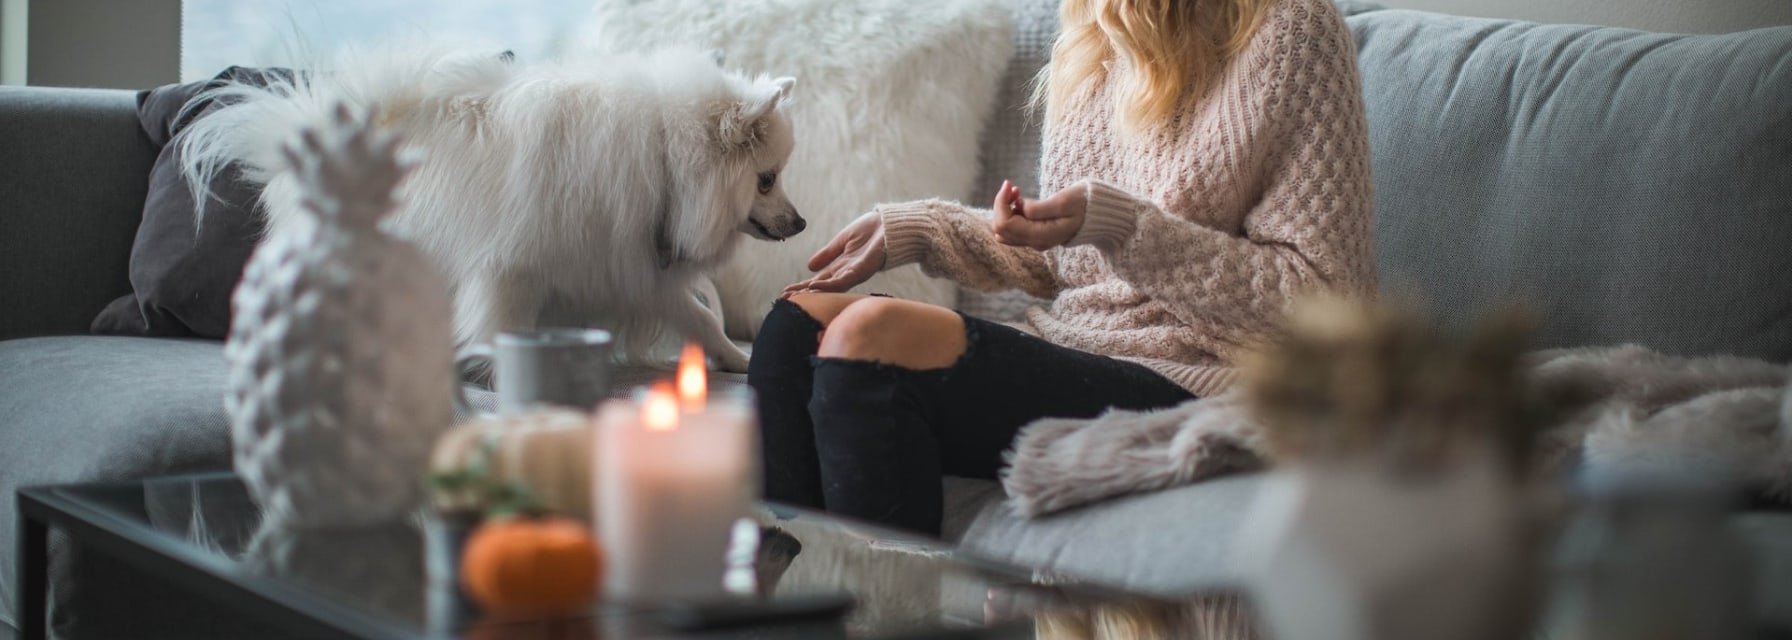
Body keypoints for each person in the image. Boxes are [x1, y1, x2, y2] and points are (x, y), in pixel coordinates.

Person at [748, 0, 1374, 535]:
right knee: (791, 329)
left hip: (1203, 374)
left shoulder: (1292, 29)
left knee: (869, 339)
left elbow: (1324, 304)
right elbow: (1071, 257)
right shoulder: (1092, 30)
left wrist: (1126, 227)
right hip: (1075, 348)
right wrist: (922, 230)